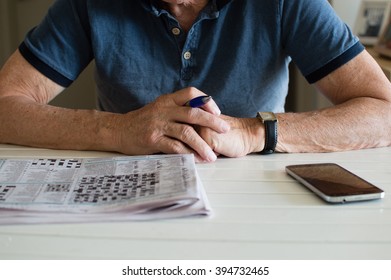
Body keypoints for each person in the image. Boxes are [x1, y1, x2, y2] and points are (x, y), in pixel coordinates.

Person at [0, 0, 390, 163]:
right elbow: (4, 105)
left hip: (259, 195)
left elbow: (384, 110)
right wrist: (118, 130)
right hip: (126, 189)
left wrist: (254, 133)